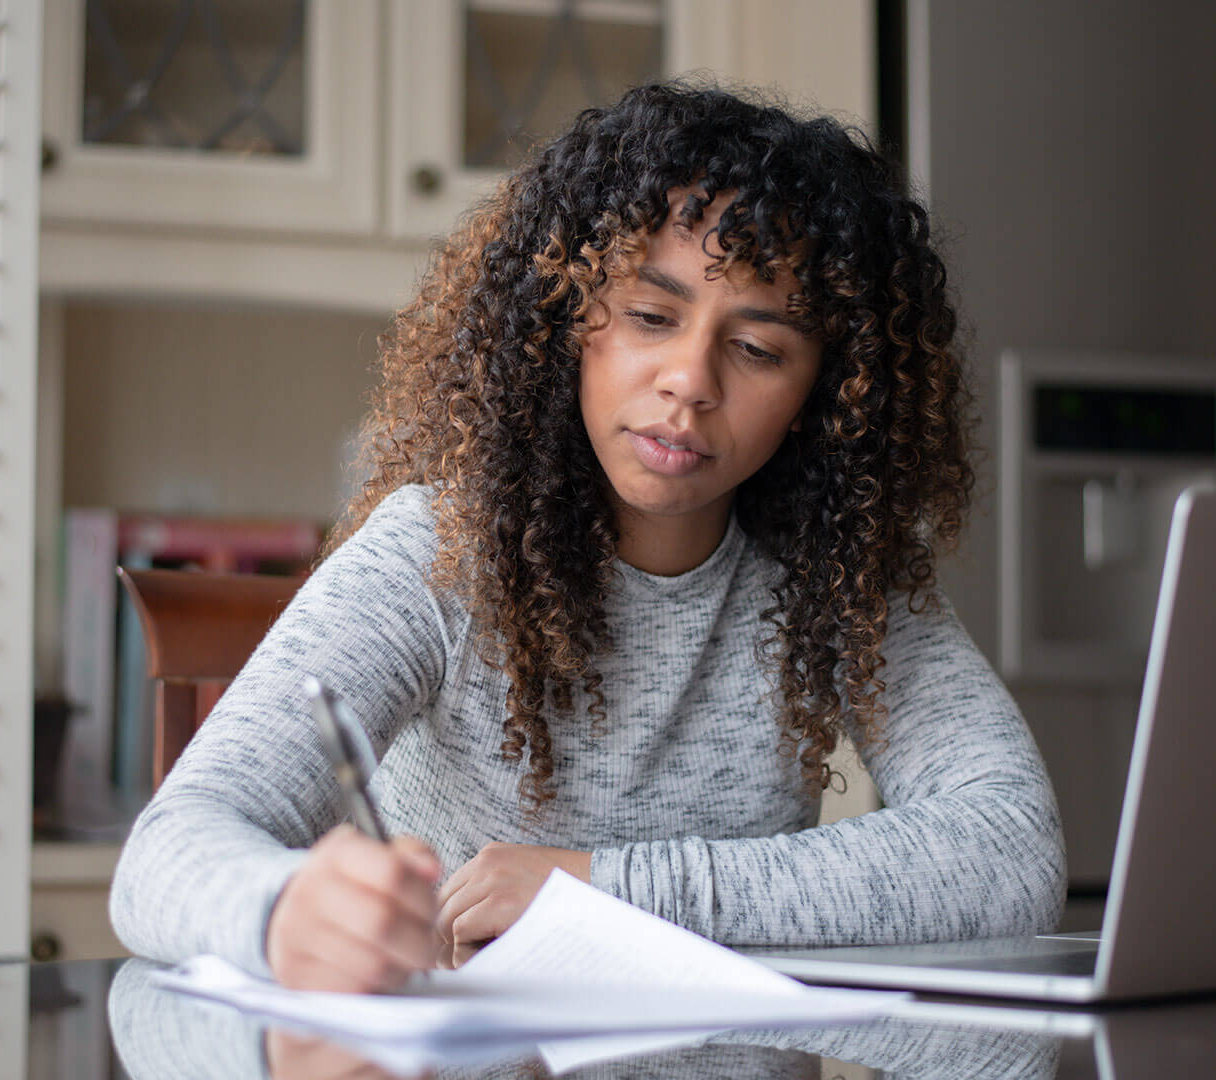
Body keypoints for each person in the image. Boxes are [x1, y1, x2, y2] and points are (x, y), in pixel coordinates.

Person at [109, 81, 1066, 994]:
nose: (690, 380)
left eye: (759, 348)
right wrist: (285, 909)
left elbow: (1009, 845)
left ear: (826, 394)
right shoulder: (441, 551)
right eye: (652, 316)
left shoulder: (839, 579)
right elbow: (169, 851)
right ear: (568, 318)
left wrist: (605, 892)